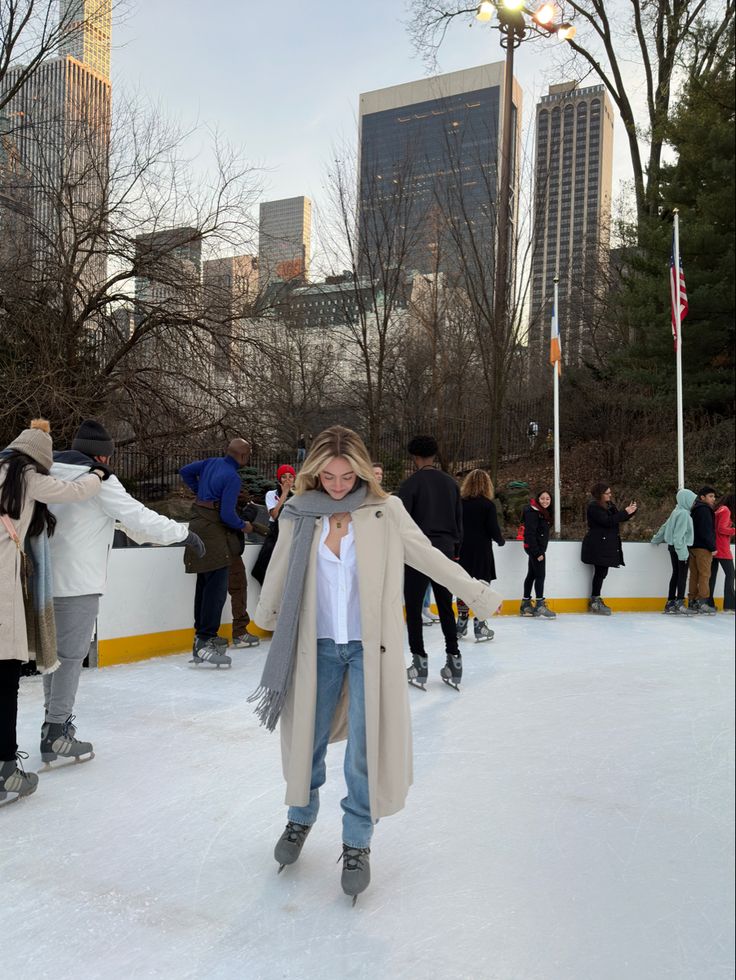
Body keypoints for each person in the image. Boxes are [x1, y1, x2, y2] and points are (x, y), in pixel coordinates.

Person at [250, 425, 501, 903]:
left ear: (363, 470)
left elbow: (427, 556)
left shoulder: (385, 512)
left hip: (371, 649)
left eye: (348, 476)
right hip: (315, 647)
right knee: (308, 741)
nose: (339, 485)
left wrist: (476, 593)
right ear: (315, 472)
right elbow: (280, 566)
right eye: (329, 475)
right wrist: (265, 619)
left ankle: (357, 841)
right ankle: (300, 819)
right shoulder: (300, 513)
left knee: (365, 750)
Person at [44, 419, 204, 764]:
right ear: (102, 458)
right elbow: (140, 517)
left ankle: (51, 726)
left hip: (40, 581)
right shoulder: (97, 480)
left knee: (51, 657)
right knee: (70, 658)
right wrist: (183, 534)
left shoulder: (44, 471)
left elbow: (124, 524)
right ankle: (56, 732)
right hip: (77, 583)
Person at [1, 420, 105, 803]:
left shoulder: (6, 469)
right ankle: (11, 766)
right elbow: (75, 491)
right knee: (8, 673)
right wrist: (98, 472)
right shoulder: (26, 476)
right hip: (5, 590)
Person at [180, 438, 258, 666]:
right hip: (213, 531)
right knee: (216, 587)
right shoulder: (232, 477)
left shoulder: (210, 463)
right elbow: (226, 515)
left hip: (197, 524)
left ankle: (200, 639)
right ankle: (205, 641)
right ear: (243, 457)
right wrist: (245, 525)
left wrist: (200, 495)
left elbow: (185, 471)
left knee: (204, 583)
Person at [397, 435, 465, 689]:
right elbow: (459, 520)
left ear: (414, 457)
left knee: (414, 608)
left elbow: (401, 524)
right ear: (434, 455)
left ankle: (419, 661)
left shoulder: (410, 485)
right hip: (445, 549)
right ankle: (454, 659)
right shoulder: (451, 484)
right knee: (445, 605)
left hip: (417, 551)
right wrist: (456, 551)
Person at [456, 469, 506, 640]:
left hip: (462, 551)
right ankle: (480, 626)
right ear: (487, 485)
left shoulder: (459, 503)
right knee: (482, 588)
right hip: (481, 551)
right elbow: (493, 529)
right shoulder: (487, 505)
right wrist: (500, 540)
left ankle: (461, 624)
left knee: (463, 587)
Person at [581, 482, 637, 615]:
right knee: (600, 572)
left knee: (602, 573)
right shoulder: (594, 507)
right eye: (607, 493)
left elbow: (617, 518)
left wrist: (630, 512)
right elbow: (607, 521)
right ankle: (595, 599)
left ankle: (596, 598)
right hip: (598, 544)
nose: (610, 495)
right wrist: (625, 512)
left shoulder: (610, 505)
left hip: (606, 544)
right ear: (600, 494)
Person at [651, 489, 697, 615]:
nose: (694, 503)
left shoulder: (676, 511)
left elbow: (665, 526)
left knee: (676, 574)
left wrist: (656, 539)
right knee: (682, 576)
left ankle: (670, 602)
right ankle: (680, 603)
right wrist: (683, 554)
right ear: (686, 500)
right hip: (681, 548)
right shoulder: (684, 514)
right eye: (692, 500)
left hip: (672, 547)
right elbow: (678, 536)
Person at [227, 484, 262, 650]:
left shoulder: (214, 499)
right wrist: (250, 510)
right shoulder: (229, 504)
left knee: (214, 594)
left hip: (218, 553)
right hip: (230, 554)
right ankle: (240, 632)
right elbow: (237, 521)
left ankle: (205, 636)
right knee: (239, 589)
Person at [252, 464, 296, 586]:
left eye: (290, 477)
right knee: (262, 568)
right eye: (284, 477)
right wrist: (284, 494)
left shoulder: (298, 495)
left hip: (291, 532)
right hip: (275, 531)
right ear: (279, 479)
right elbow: (275, 515)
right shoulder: (271, 494)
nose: (287, 480)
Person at [519, 489, 556, 618]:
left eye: (548, 499)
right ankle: (540, 604)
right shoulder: (533, 512)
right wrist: (537, 552)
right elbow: (529, 533)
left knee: (532, 575)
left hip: (537, 548)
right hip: (535, 549)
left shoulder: (542, 512)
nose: (545, 501)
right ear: (538, 499)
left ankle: (525, 605)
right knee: (540, 575)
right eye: (542, 498)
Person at [687, 486, 718, 615]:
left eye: (714, 496)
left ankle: (692, 601)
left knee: (694, 575)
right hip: (703, 548)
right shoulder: (705, 510)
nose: (713, 499)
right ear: (702, 497)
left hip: (693, 547)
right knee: (705, 575)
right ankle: (702, 603)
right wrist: (712, 547)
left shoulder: (694, 509)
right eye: (710, 496)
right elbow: (706, 531)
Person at [708, 493, 735, 613]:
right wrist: (734, 530)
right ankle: (729, 605)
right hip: (722, 547)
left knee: (711, 576)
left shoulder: (719, 509)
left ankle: (709, 603)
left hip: (714, 546)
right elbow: (721, 529)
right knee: (730, 575)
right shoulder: (726, 510)